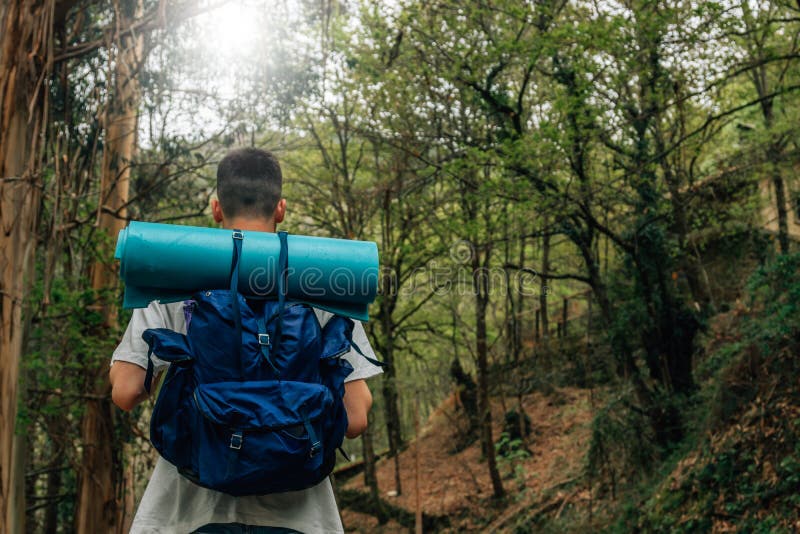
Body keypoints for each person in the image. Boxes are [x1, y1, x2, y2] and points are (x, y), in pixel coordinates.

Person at [109, 147, 382, 533]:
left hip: (188, 511)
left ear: (217, 208)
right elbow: (355, 418)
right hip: (300, 515)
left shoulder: (174, 273)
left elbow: (126, 391)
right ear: (281, 208)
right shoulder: (321, 277)